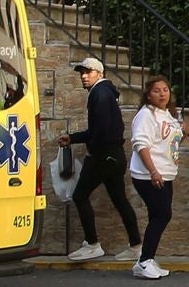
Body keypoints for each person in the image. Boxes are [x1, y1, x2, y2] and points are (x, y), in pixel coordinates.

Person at [58, 57, 143, 262]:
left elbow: (102, 130)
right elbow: (99, 129)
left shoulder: (100, 93)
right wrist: (74, 138)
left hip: (103, 156)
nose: (84, 76)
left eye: (89, 72)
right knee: (119, 200)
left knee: (80, 196)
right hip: (114, 155)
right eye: (82, 73)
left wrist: (93, 152)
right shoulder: (105, 93)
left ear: (100, 73)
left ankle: (93, 243)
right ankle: (135, 245)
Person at [127, 75, 183, 280]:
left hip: (166, 173)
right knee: (162, 214)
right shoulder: (145, 115)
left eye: (165, 90)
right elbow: (141, 145)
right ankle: (144, 261)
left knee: (157, 215)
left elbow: (168, 143)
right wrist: (153, 171)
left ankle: (147, 259)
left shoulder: (167, 114)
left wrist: (183, 133)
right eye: (156, 91)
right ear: (148, 95)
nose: (162, 94)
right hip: (148, 174)